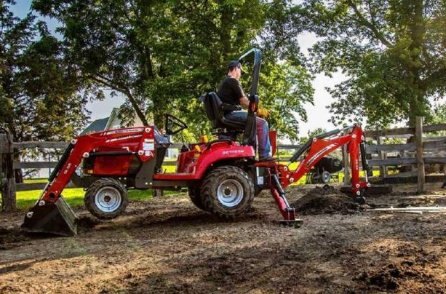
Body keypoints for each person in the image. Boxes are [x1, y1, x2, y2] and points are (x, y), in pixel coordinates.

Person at [217, 60, 274, 161]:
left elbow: (240, 103)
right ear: (236, 68)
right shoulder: (233, 81)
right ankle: (264, 155)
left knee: (253, 120)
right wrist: (258, 109)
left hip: (226, 114)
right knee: (262, 123)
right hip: (229, 115)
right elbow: (244, 101)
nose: (240, 75)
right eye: (240, 71)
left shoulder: (224, 82)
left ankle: (253, 150)